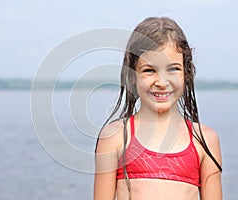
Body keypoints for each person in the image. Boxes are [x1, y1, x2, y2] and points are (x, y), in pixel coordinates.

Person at [94, 17, 222, 200]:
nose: (162, 82)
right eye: (149, 70)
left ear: (186, 73)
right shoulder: (114, 137)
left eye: (173, 69)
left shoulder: (204, 141)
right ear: (132, 76)